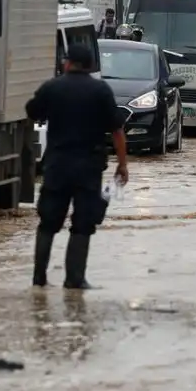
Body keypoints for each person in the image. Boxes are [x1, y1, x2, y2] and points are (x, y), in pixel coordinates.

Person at [25, 44, 129, 290]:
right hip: (88, 168)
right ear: (91, 66)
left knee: (48, 222)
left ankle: (38, 279)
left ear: (67, 63)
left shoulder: (53, 87)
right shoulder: (101, 90)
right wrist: (122, 165)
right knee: (83, 223)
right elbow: (117, 130)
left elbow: (31, 111)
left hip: (57, 166)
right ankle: (74, 279)